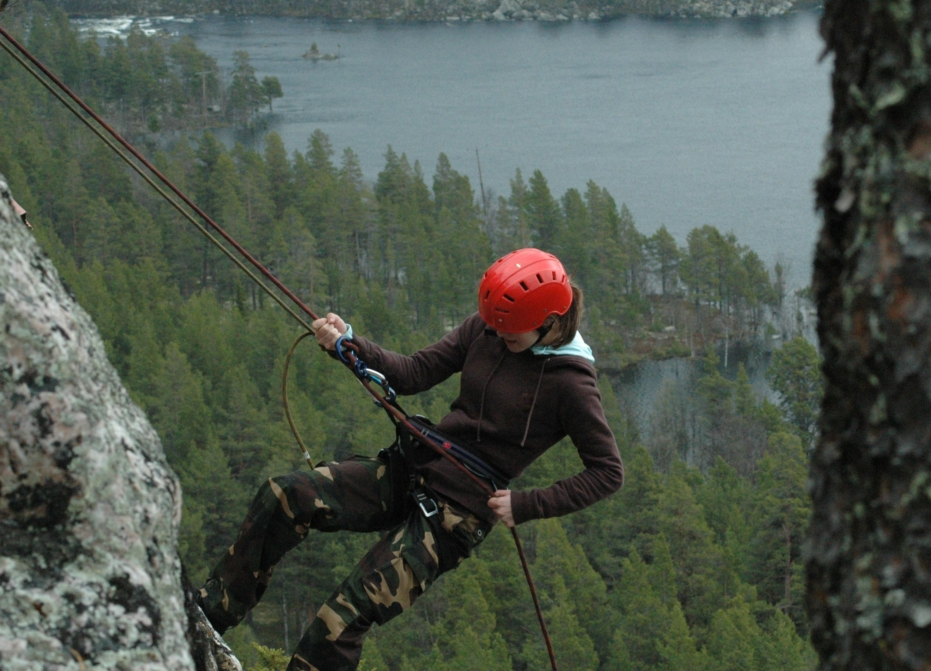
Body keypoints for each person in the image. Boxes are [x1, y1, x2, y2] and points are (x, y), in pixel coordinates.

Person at [197, 248, 624, 671]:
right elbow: (415, 371)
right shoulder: (490, 327)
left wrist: (527, 504)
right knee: (288, 494)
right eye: (494, 327)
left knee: (343, 617)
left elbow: (607, 472)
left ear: (549, 323)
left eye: (510, 333)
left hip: (457, 515)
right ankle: (207, 618)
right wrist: (350, 343)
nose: (498, 337)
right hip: (418, 465)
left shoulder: (571, 384)